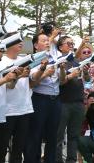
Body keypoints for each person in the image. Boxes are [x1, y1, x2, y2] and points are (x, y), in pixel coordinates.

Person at [25, 31, 67, 163]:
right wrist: (44, 72)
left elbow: (61, 81)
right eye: (44, 41)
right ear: (36, 45)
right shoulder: (34, 58)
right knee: (35, 134)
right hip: (40, 99)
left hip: (55, 100)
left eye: (48, 41)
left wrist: (61, 69)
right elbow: (32, 81)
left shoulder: (56, 56)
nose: (48, 42)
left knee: (52, 135)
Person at [1, 39, 34, 163]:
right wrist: (19, 75)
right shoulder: (1, 61)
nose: (21, 43)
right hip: (7, 110)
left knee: (18, 148)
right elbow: (7, 84)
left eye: (21, 41)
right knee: (2, 147)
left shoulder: (25, 60)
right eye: (16, 41)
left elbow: (31, 83)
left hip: (24, 109)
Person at [56, 36, 85, 163]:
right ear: (60, 46)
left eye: (73, 43)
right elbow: (60, 83)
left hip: (78, 103)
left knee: (74, 136)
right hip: (63, 103)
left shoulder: (76, 61)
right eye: (69, 43)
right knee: (58, 137)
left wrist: (86, 72)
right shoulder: (58, 61)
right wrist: (70, 75)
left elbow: (87, 80)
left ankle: (71, 161)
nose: (72, 45)